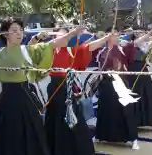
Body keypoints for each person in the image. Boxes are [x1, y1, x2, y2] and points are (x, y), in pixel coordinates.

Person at [0, 17, 84, 155]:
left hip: (25, 99)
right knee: (8, 136)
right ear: (5, 33)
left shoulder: (27, 51)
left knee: (32, 135)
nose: (19, 33)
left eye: (21, 30)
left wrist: (73, 33)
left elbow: (53, 44)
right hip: (6, 101)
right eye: (14, 30)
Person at [43, 27, 115, 155]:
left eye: (66, 36)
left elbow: (89, 47)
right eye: (61, 36)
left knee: (74, 117)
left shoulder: (71, 51)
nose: (64, 39)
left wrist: (106, 38)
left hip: (69, 87)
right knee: (56, 118)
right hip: (55, 88)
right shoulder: (50, 50)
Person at [95, 30, 152, 150]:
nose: (117, 37)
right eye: (114, 35)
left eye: (117, 35)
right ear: (108, 37)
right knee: (106, 110)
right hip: (107, 84)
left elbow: (136, 43)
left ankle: (133, 139)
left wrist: (148, 35)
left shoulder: (123, 48)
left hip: (121, 83)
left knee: (126, 111)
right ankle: (101, 135)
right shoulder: (101, 52)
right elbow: (100, 68)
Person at [128, 30, 152, 133]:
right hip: (132, 72)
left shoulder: (149, 43)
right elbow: (137, 44)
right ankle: (133, 122)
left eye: (141, 32)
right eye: (136, 32)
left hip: (143, 70)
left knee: (147, 95)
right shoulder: (129, 44)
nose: (138, 33)